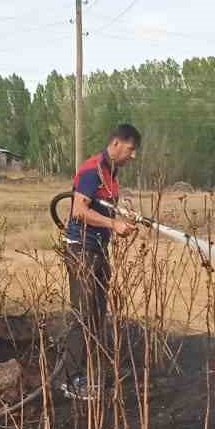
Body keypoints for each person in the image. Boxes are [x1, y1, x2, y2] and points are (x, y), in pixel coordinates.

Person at [60, 124, 141, 399]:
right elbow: (78, 210)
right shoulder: (91, 170)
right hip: (81, 250)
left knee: (95, 316)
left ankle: (86, 375)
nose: (133, 156)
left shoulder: (111, 174)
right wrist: (112, 224)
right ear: (116, 143)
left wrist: (122, 223)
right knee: (82, 316)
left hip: (98, 250)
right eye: (131, 150)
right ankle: (71, 381)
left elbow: (104, 209)